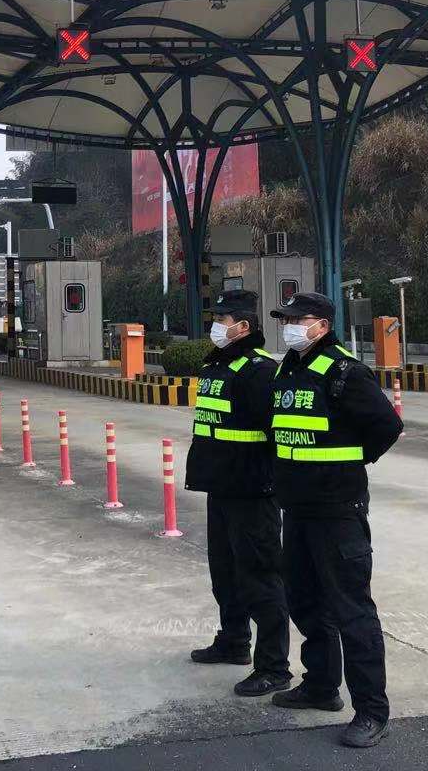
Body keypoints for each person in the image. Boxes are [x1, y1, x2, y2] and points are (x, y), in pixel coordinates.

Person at [266, 291, 403, 748]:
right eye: (285, 320)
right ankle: (321, 686)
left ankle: (372, 712)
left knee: (352, 611)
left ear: (321, 325)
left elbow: (387, 426)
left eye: (296, 319)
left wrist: (348, 463)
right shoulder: (289, 368)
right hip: (297, 508)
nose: (289, 327)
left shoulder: (345, 371)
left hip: (337, 510)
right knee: (306, 602)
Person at [185, 290, 291, 698]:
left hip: (252, 491)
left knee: (260, 578)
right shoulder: (219, 366)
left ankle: (274, 667)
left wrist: (272, 481)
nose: (215, 326)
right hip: (222, 487)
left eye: (222, 319)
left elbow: (275, 432)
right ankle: (233, 641)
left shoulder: (259, 371)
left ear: (243, 326)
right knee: (225, 573)